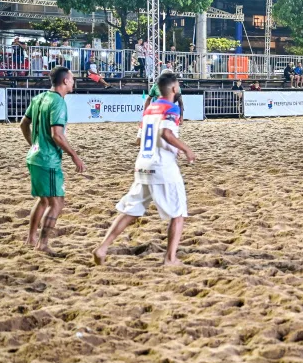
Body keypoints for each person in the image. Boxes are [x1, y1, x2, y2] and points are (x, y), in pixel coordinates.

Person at [93, 73, 196, 266]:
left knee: (131, 211)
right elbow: (165, 133)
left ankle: (103, 247)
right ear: (174, 88)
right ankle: (170, 258)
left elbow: (139, 140)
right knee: (178, 213)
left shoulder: (149, 109)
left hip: (142, 164)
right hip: (162, 166)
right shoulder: (171, 107)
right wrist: (185, 149)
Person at [19, 66, 86, 253]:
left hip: (35, 157)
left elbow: (24, 124)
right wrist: (75, 156)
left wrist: (34, 144)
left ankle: (31, 238)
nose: (73, 82)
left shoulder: (39, 97)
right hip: (47, 160)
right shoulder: (58, 102)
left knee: (44, 200)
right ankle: (43, 244)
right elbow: (57, 135)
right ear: (65, 81)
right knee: (57, 202)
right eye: (72, 79)